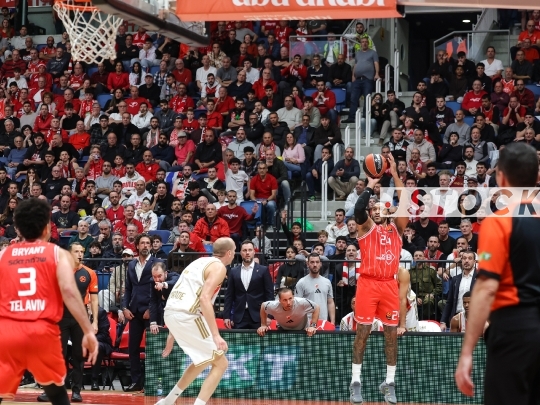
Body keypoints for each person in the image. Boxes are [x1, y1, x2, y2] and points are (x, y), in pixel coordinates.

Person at [455, 143, 540, 404]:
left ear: (500, 178)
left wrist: (467, 352)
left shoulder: (499, 221)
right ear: (537, 176)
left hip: (515, 330)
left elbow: (486, 287)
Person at [0, 198, 98, 405]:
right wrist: (88, 330)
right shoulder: (57, 254)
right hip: (42, 331)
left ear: (18, 229)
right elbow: (70, 293)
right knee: (57, 393)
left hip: (8, 331)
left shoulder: (3, 255)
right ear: (47, 228)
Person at [349, 153, 408, 404]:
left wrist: (394, 174)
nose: (377, 210)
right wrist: (371, 184)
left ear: (389, 211)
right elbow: (358, 209)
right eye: (374, 208)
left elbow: (405, 202)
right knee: (362, 332)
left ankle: (389, 383)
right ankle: (356, 382)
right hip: (368, 283)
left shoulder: (397, 228)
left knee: (391, 335)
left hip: (389, 284)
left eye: (382, 207)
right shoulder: (366, 228)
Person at [156, 237, 235, 405]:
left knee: (203, 360)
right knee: (221, 363)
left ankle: (168, 401)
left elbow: (182, 296)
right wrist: (216, 335)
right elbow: (204, 299)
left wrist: (171, 334)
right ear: (229, 253)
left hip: (171, 313)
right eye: (234, 251)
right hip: (188, 314)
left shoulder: (198, 262)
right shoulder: (219, 267)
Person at [122, 234, 160, 392]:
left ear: (151, 246)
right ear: (137, 246)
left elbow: (159, 289)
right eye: (142, 243)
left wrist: (151, 309)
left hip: (151, 312)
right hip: (134, 311)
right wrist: (125, 307)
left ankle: (151, 382)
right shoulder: (132, 264)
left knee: (153, 349)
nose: (145, 245)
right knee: (133, 348)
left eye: (147, 243)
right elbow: (128, 288)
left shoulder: (157, 263)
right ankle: (136, 381)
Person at [223, 240, 273, 329]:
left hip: (259, 315)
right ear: (241, 253)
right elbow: (229, 295)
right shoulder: (234, 271)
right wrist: (226, 316)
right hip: (239, 316)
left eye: (250, 250)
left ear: (254, 252)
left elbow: (269, 294)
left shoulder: (263, 270)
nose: (247, 253)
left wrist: (269, 315)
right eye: (244, 250)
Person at [295, 253, 335, 323]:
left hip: (323, 321)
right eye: (312, 262)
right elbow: (297, 305)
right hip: (307, 322)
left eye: (317, 262)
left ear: (320, 264)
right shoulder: (301, 283)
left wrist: (332, 321)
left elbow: (330, 302)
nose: (315, 265)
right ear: (307, 264)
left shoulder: (327, 282)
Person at [149, 261, 180, 334]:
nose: (157, 279)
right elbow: (153, 301)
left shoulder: (174, 276)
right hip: (163, 311)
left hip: (177, 313)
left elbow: (173, 282)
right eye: (154, 277)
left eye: (159, 276)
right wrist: (153, 322)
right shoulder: (152, 281)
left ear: (165, 273)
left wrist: (163, 284)